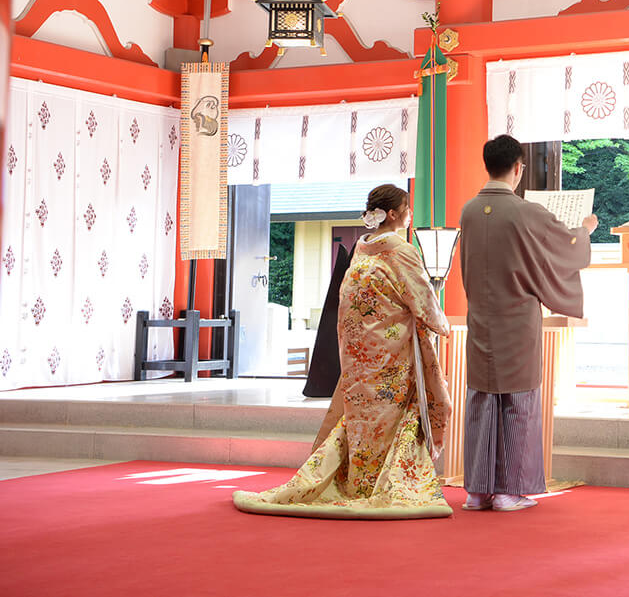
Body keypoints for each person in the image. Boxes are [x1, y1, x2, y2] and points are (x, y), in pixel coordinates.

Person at [233, 185, 453, 519]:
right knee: (391, 417)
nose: (409, 215)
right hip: (391, 352)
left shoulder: (361, 246)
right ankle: (385, 482)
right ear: (393, 214)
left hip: (359, 350)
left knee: (363, 417)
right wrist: (442, 325)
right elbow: (420, 296)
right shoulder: (399, 249)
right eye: (407, 209)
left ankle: (357, 482)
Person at [458, 134, 599, 511]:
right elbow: (566, 248)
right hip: (517, 319)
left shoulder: (469, 211)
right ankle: (509, 490)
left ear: (488, 165)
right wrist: (585, 229)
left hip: (481, 318)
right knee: (518, 401)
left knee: (482, 401)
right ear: (518, 168)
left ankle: (477, 490)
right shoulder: (525, 211)